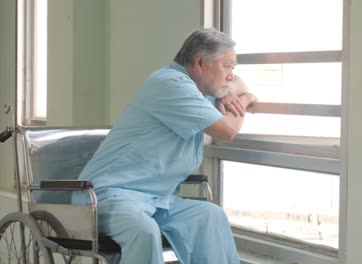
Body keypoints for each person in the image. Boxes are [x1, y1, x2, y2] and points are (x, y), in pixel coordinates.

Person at [73, 28, 257, 264]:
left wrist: (229, 90)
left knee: (211, 216)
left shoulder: (202, 89)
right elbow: (228, 131)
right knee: (144, 231)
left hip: (158, 198)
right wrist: (245, 99)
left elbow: (239, 82)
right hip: (109, 194)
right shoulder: (170, 84)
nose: (231, 74)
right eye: (228, 66)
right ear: (200, 62)